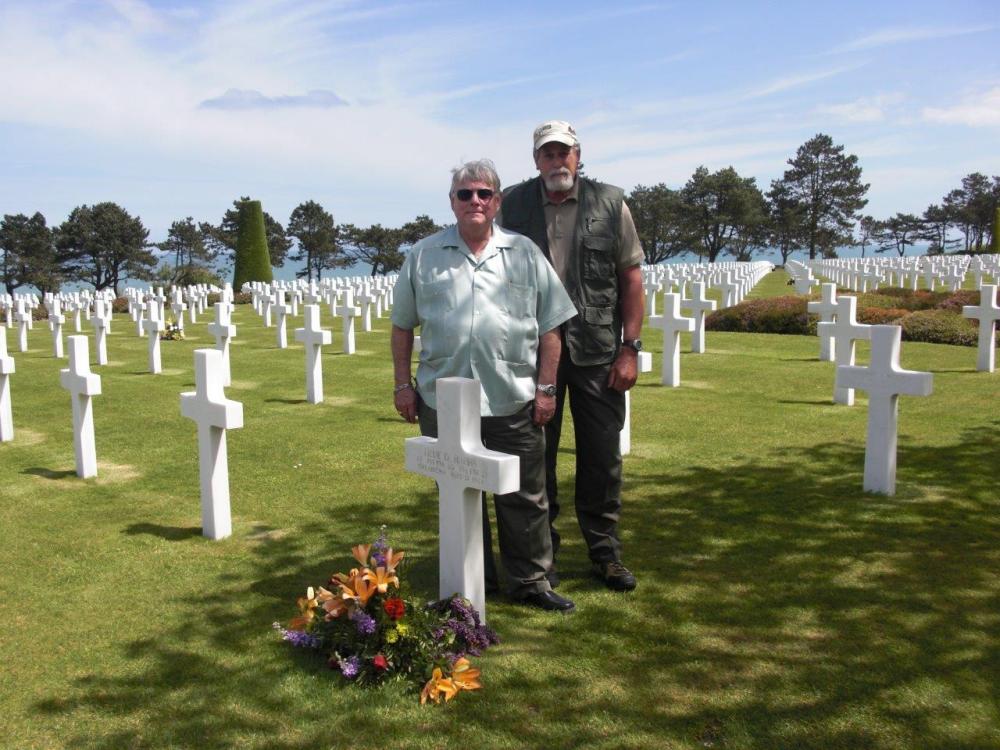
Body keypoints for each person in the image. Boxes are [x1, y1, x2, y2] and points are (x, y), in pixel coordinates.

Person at [391, 158, 578, 613]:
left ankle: (530, 580)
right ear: (452, 203)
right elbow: (402, 327)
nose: (474, 201)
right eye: (464, 194)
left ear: (497, 201)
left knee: (525, 496)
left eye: (483, 194)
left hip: (511, 395)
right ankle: (474, 580)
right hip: (444, 401)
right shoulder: (423, 255)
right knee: (458, 493)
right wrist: (402, 385)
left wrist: (547, 388)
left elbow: (551, 326)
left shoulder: (524, 253)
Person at [499, 120, 644, 592]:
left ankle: (605, 553)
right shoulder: (514, 204)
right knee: (536, 454)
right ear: (536, 160)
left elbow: (631, 281)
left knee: (602, 455)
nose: (556, 161)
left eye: (564, 152)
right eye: (547, 154)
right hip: (534, 349)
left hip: (598, 350)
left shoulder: (610, 203)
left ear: (579, 156)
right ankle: (544, 556)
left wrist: (630, 348)